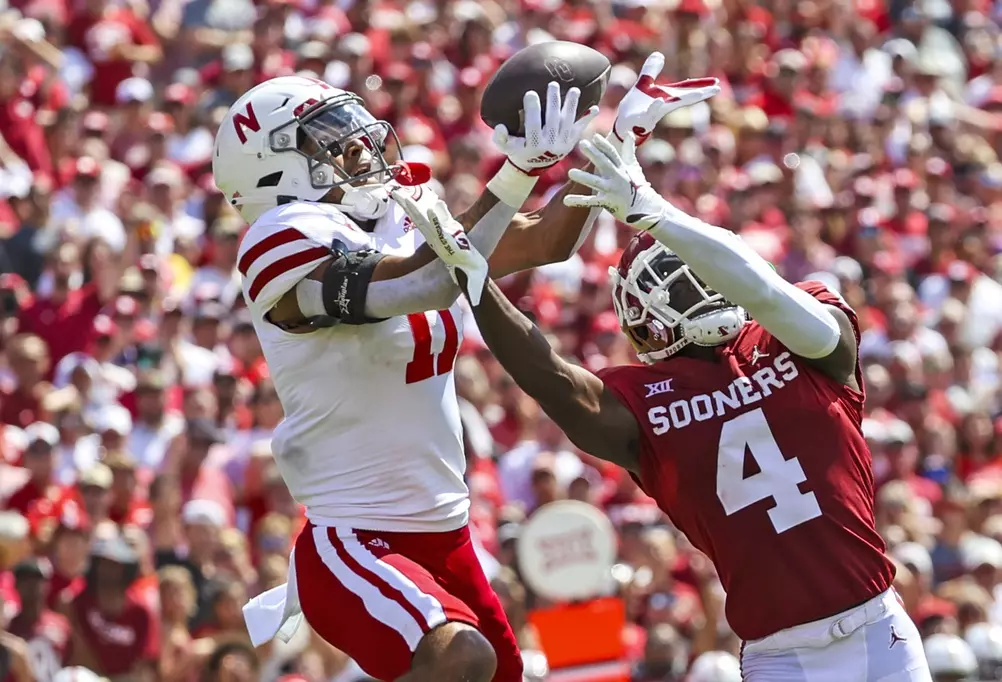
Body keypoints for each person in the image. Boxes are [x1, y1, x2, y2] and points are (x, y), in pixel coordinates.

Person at [405, 53, 933, 681]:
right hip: (784, 652)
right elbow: (555, 381)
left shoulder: (804, 328)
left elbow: (760, 292)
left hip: (871, 628)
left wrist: (650, 209)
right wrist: (478, 280)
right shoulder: (668, 389)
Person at [213, 65, 719, 682]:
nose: (356, 144)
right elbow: (423, 281)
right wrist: (518, 171)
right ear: (270, 169)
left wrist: (618, 142)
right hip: (356, 536)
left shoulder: (395, 217)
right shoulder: (281, 238)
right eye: (324, 136)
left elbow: (548, 241)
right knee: (460, 659)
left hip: (448, 535)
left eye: (350, 126)